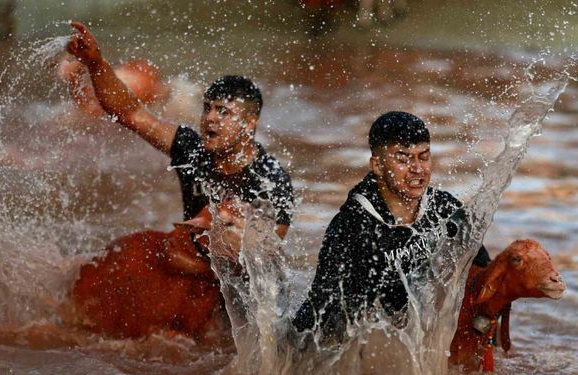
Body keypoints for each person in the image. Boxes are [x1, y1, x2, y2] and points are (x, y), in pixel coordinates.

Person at [65, 22, 294, 261]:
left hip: (234, 283)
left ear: (249, 122)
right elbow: (129, 112)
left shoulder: (270, 182)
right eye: (207, 109)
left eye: (223, 112)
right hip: (194, 258)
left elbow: (263, 260)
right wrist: (95, 63)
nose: (210, 118)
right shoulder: (191, 149)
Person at [292, 111, 490, 340]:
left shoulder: (444, 209)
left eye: (423, 156)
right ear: (377, 165)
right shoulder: (352, 228)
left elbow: (484, 271)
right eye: (403, 159)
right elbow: (324, 315)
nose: (417, 168)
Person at [57, 56, 202, 125]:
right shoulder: (99, 83)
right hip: (166, 92)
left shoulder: (94, 97)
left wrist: (74, 81)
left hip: (164, 98)